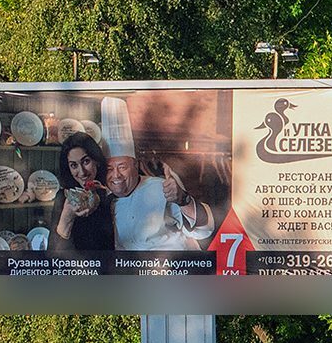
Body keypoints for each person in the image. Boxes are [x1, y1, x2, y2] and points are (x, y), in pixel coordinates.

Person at [100, 96, 214, 250]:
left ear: (136, 165)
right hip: (127, 271)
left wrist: (183, 200)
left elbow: (203, 231)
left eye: (122, 167)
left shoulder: (161, 187)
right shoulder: (102, 201)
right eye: (109, 169)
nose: (116, 176)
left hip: (170, 269)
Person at [48, 131, 115, 254]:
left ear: (97, 161)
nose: (82, 172)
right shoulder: (64, 197)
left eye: (86, 161)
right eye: (74, 165)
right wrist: (66, 218)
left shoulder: (111, 194)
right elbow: (52, 256)